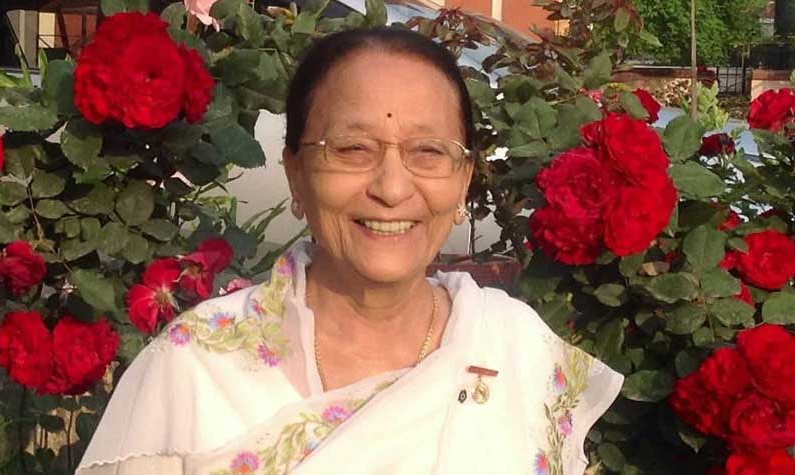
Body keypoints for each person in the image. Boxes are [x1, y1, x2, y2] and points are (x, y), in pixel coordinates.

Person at [76, 27, 623, 475]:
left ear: (463, 180)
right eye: (352, 148)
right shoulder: (193, 370)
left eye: (428, 151)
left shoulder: (515, 353)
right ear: (296, 173)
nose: (392, 187)